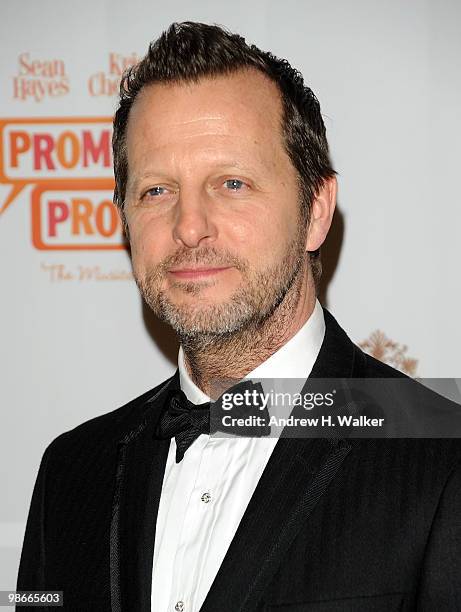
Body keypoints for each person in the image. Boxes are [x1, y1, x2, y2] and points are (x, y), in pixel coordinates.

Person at [17, 21, 461, 612]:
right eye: (156, 190)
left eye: (232, 183)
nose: (189, 225)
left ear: (316, 211)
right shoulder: (70, 473)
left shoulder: (443, 462)